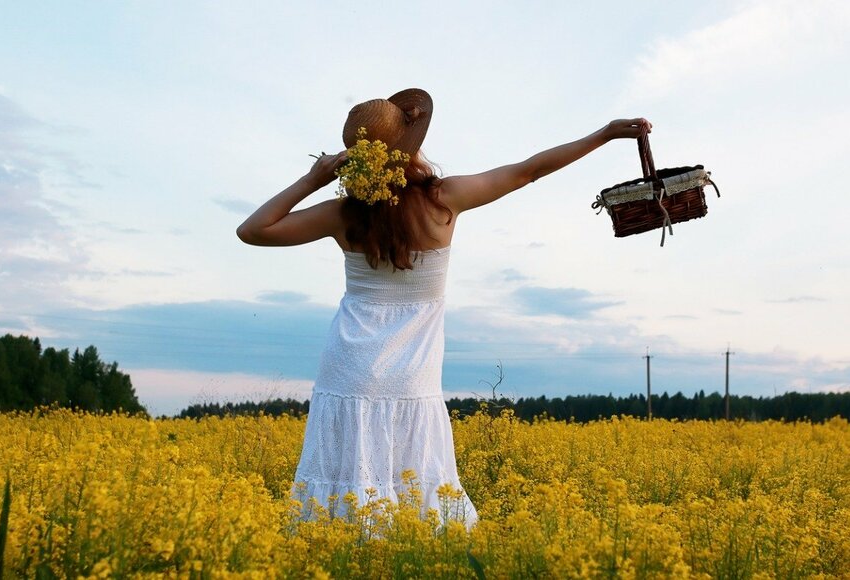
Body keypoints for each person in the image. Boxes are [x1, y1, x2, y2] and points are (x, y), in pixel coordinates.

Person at [236, 88, 651, 530]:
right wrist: (605, 135)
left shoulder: (342, 214)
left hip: (349, 367)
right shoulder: (443, 200)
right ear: (411, 148)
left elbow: (253, 230)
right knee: (416, 485)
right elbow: (529, 171)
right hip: (412, 373)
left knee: (347, 485)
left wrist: (310, 181)